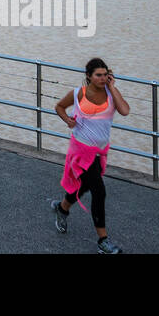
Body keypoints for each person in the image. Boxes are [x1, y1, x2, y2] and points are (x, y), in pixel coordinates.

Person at [51, 57, 129, 253]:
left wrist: (112, 87)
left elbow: (125, 111)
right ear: (89, 76)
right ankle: (103, 241)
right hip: (80, 151)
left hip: (99, 153)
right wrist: (68, 120)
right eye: (98, 75)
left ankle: (62, 208)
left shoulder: (111, 95)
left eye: (105, 75)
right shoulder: (78, 93)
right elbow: (59, 106)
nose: (102, 78)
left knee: (85, 185)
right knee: (99, 191)